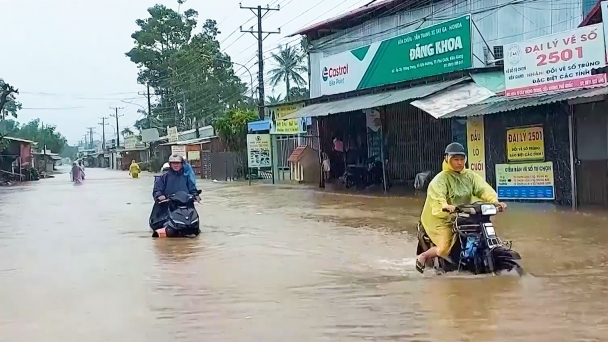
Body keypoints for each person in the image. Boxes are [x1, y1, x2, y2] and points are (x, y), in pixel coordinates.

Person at [416, 142, 507, 274]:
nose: (459, 163)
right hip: (439, 218)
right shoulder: (440, 179)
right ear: (447, 159)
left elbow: (483, 189)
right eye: (455, 159)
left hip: (461, 214)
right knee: (444, 248)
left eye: (462, 159)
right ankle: (423, 256)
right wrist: (445, 206)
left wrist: (495, 202)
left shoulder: (469, 176)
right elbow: (437, 196)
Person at [151, 155, 200, 237]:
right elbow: (157, 190)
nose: (176, 165)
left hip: (185, 206)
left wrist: (196, 195)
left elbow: (192, 189)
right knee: (161, 224)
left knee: (195, 227)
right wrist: (160, 195)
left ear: (181, 164)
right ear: (170, 164)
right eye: (173, 163)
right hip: (168, 206)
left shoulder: (186, 178)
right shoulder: (163, 178)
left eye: (178, 163)